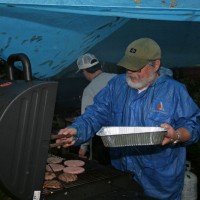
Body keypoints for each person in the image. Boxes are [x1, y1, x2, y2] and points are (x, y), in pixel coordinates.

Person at [56, 38, 200, 199]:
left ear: (156, 65)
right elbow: (96, 113)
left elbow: (193, 126)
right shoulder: (116, 85)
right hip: (122, 174)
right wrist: (76, 129)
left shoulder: (174, 91)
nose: (130, 72)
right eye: (127, 66)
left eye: (136, 67)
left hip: (160, 182)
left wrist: (176, 135)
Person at [76, 53, 116, 162]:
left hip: (102, 139)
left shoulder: (89, 90)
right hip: (123, 134)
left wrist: (83, 147)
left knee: (104, 170)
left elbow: (87, 122)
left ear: (84, 71)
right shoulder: (117, 78)